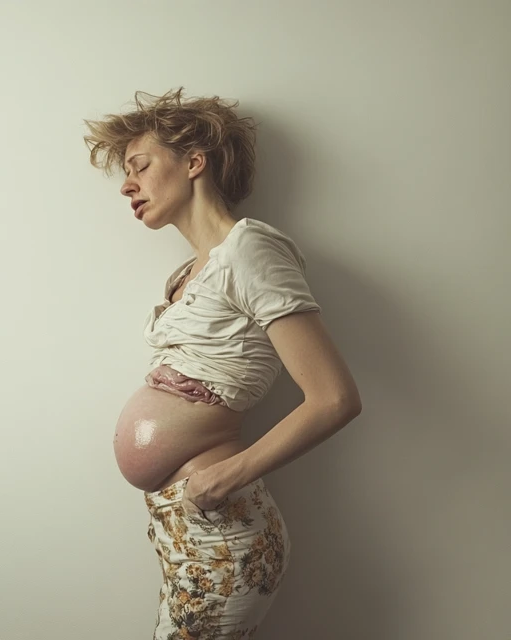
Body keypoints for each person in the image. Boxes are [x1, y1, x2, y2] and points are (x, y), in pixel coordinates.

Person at [82, 87, 362, 639]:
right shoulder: (190, 273)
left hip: (222, 528)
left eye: (140, 165)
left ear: (194, 162)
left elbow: (334, 399)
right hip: (180, 528)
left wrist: (222, 479)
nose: (127, 185)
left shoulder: (249, 249)